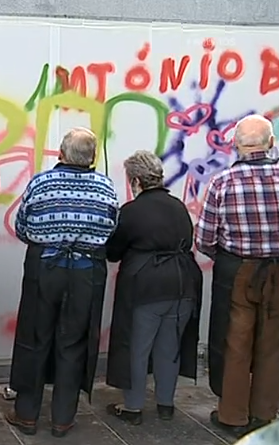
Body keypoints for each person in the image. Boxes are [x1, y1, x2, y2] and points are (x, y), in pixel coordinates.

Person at [6, 128, 118, 438]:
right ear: (92, 157)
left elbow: (22, 226)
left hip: (45, 269)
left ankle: (27, 415)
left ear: (62, 153)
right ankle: (62, 419)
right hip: (86, 272)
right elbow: (111, 229)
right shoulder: (105, 187)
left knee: (35, 338)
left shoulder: (41, 182)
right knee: (73, 344)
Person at [104, 150, 202, 425]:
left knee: (137, 346)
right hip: (183, 282)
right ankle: (166, 404)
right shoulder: (178, 206)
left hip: (146, 286)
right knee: (169, 346)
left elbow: (113, 251)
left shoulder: (132, 211)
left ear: (136, 180)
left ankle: (133, 407)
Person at [196, 114, 279, 438]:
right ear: (270, 143)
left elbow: (204, 238)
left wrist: (227, 257)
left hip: (238, 271)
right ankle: (265, 411)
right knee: (272, 342)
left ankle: (232, 415)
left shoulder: (222, 182)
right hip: (276, 269)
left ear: (236, 146)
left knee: (235, 341)